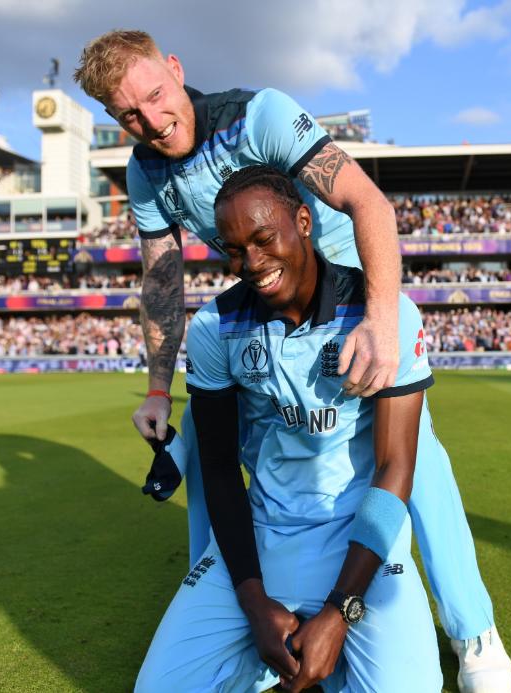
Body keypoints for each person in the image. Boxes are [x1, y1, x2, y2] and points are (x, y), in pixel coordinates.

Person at [75, 31, 511, 691]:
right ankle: (235, 606)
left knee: (411, 453)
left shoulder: (261, 116)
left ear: (176, 68)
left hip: (349, 307)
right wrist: (158, 389)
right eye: (128, 115)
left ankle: (472, 628)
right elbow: (162, 277)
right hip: (264, 313)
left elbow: (367, 202)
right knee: (205, 442)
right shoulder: (144, 171)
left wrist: (381, 322)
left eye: (156, 96)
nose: (152, 121)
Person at [136, 166, 442, 692]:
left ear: (303, 221)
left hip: (362, 542)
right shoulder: (214, 326)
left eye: (263, 238)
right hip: (262, 536)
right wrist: (254, 602)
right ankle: (267, 656)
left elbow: (395, 467)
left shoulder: (387, 314)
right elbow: (219, 470)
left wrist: (340, 611)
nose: (251, 263)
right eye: (234, 250)